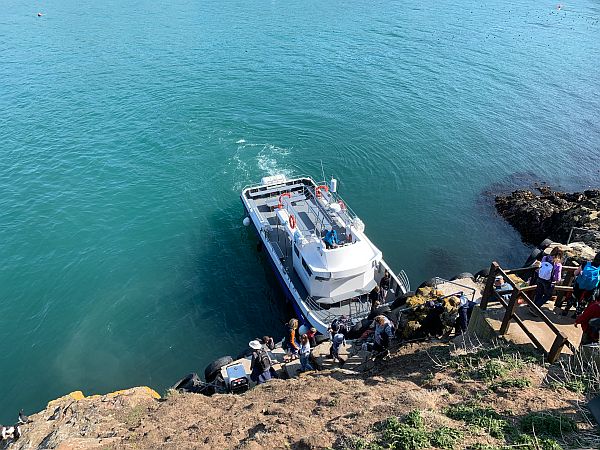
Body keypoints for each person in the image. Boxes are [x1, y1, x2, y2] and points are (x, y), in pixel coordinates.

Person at [563, 252, 600, 317]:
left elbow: (575, 273)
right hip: (591, 288)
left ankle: (565, 311)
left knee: (573, 297)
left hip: (579, 284)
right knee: (584, 301)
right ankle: (576, 314)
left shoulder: (586, 264)